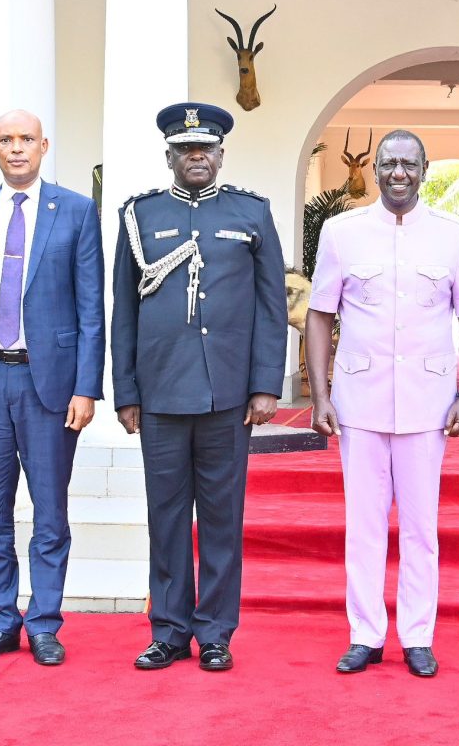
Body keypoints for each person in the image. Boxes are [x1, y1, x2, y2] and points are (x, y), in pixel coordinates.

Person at [112, 103, 287, 672]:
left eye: (205, 149)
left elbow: (269, 304)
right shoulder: (140, 217)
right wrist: (126, 390)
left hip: (227, 395)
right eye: (186, 150)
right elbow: (124, 310)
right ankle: (168, 629)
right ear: (169, 156)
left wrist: (265, 384)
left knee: (220, 516)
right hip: (160, 392)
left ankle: (215, 632)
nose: (197, 157)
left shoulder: (251, 213)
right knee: (165, 516)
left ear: (220, 154)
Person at [306, 130, 459, 678]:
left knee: (420, 526)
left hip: (427, 404)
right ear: (377, 169)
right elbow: (320, 314)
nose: (398, 172)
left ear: (425, 168)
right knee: (362, 525)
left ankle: (417, 635)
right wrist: (320, 393)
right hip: (360, 400)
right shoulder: (342, 233)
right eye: (389, 163)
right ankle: (364, 633)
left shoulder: (453, 237)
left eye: (409, 163)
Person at [0, 109, 104, 666]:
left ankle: (45, 624)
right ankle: (0, 620)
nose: (16, 149)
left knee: (50, 512)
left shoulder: (76, 211)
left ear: (44, 146)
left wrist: (87, 387)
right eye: (6, 140)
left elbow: (89, 309)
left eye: (25, 139)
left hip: (49, 384)